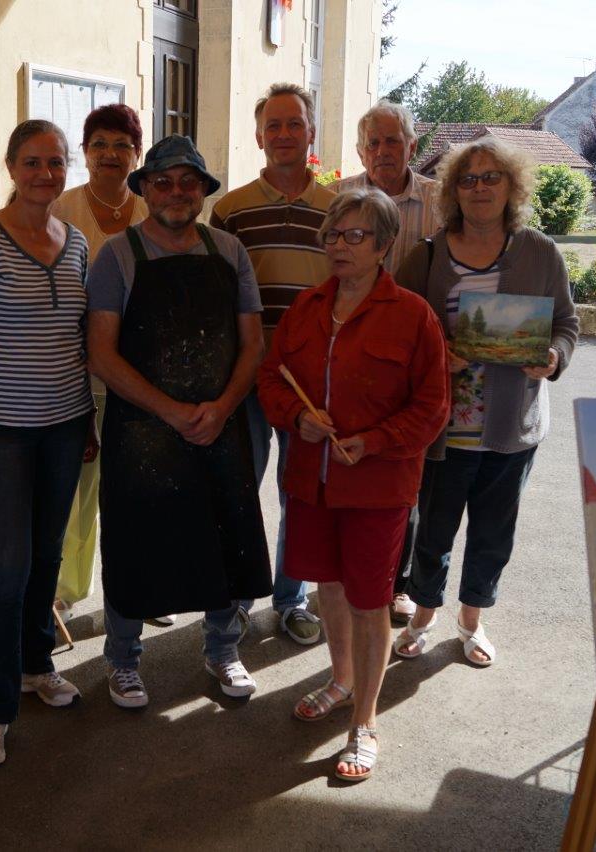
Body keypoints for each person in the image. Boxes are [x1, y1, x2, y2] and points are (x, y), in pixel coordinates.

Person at [258, 187, 448, 781]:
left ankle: (364, 721)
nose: (338, 246)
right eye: (332, 236)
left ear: (385, 245)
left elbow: (432, 406)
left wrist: (377, 440)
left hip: (378, 488)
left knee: (370, 602)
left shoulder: (413, 315)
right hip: (311, 484)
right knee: (331, 588)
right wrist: (297, 419)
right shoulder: (308, 307)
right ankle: (341, 679)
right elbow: (272, 379)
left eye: (354, 236)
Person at [87, 135, 271, 708]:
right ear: (144, 189)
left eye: (188, 181)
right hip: (142, 433)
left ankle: (222, 650)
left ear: (203, 191)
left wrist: (221, 408)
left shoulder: (229, 251)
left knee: (225, 536)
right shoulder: (117, 256)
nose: (176, 191)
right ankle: (122, 660)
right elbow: (102, 353)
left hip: (220, 424)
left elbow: (252, 342)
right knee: (134, 540)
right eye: (162, 181)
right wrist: (170, 411)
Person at [0, 120, 97, 766]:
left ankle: (37, 665)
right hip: (3, 436)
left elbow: (79, 341)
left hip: (65, 427)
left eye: (56, 163)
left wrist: (86, 421)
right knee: (4, 568)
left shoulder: (79, 242)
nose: (45, 174)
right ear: (11, 167)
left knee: (45, 556)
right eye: (33, 162)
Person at [393, 137, 579, 666]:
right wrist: (435, 358)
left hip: (510, 428)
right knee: (433, 530)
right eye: (468, 179)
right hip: (443, 429)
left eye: (491, 176)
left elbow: (567, 323)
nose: (479, 188)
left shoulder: (539, 250)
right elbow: (399, 330)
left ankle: (471, 620)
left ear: (511, 185)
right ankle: (425, 613)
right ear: (453, 190)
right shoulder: (426, 255)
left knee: (494, 533)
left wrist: (553, 356)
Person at [210, 82, 335, 646]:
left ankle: (291, 598)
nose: (284, 134)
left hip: (312, 382)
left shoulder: (338, 212)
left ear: (311, 132)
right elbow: (213, 301)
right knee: (239, 490)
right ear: (258, 136)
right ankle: (235, 598)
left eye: (295, 124)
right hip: (249, 377)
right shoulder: (229, 210)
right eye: (273, 125)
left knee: (300, 494)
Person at [336, 99, 444, 625]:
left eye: (392, 141)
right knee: (353, 470)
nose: (382, 151)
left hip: (416, 354)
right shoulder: (342, 197)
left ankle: (396, 583)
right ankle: (345, 575)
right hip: (357, 356)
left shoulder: (439, 202)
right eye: (373, 143)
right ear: (360, 151)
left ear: (412, 146)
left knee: (406, 475)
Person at [47, 104, 149, 622]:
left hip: (142, 375)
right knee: (81, 487)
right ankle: (67, 589)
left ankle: (138, 586)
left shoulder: (153, 212)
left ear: (136, 153)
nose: (111, 154)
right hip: (79, 374)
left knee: (136, 485)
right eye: (99, 144)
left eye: (122, 145)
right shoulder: (61, 210)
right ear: (85, 153)